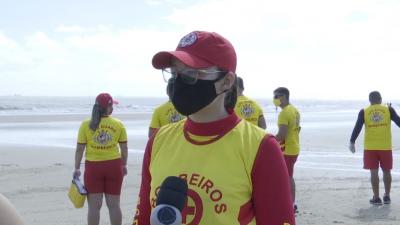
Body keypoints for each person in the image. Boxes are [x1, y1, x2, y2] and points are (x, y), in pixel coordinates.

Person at [133, 31, 295, 225]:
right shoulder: (158, 142)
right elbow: (142, 218)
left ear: (226, 81)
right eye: (174, 74)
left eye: (191, 74)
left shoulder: (260, 147)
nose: (178, 82)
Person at [73, 93, 128, 225]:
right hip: (114, 166)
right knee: (114, 206)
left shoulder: (86, 124)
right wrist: (124, 165)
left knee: (94, 207)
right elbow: (124, 148)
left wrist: (76, 167)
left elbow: (80, 149)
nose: (113, 108)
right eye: (112, 105)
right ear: (108, 107)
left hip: (93, 168)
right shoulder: (118, 124)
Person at [349, 91, 400, 205]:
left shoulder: (364, 111)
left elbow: (357, 127)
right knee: (387, 171)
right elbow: (399, 122)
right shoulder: (388, 110)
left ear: (370, 100)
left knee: (374, 172)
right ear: (381, 99)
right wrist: (391, 111)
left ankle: (376, 198)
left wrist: (352, 141)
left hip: (370, 147)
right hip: (385, 146)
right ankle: (387, 196)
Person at [273, 87, 301, 212]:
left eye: (276, 96)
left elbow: (281, 135)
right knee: (289, 176)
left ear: (283, 96)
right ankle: (291, 202)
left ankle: (290, 204)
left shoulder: (284, 113)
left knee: (287, 177)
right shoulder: (295, 110)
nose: (275, 100)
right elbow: (297, 129)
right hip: (294, 147)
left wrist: (269, 141)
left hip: (287, 149)